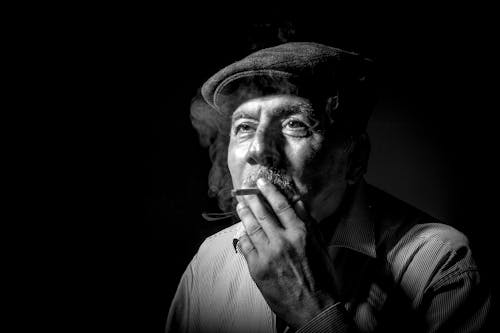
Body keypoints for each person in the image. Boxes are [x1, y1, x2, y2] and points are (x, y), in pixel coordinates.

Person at [165, 42, 491, 332]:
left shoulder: (441, 263)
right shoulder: (210, 261)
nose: (258, 149)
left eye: (295, 124)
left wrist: (314, 312)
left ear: (356, 158)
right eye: (245, 127)